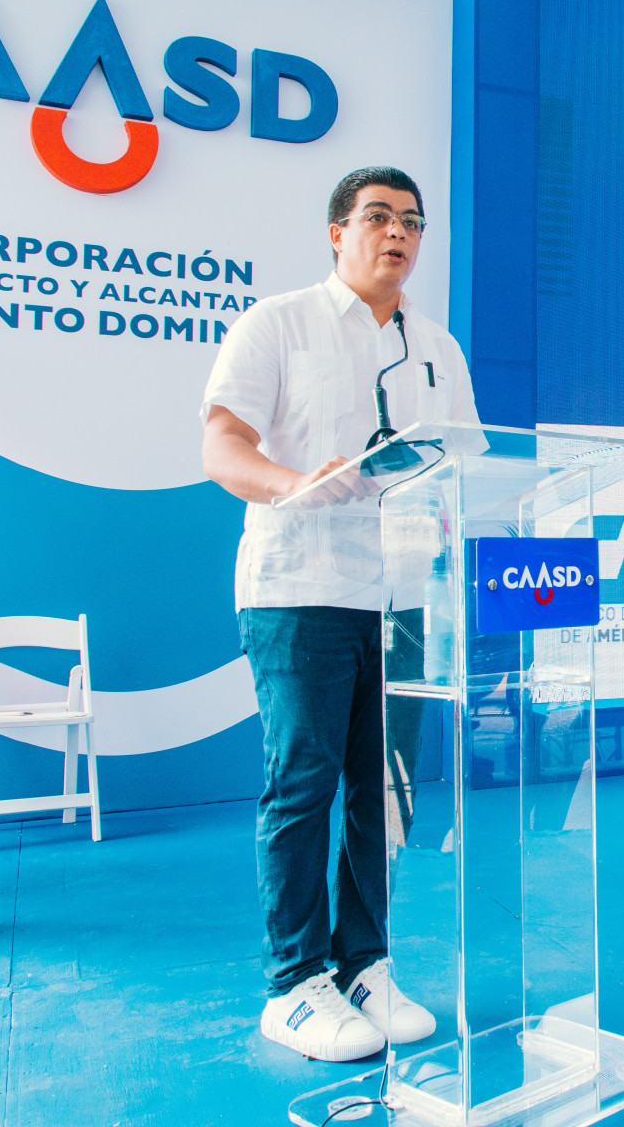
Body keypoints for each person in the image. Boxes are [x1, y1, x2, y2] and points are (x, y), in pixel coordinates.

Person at [201, 166, 479, 1061]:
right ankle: (293, 983)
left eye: (412, 222)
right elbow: (222, 447)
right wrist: (295, 484)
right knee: (304, 784)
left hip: (401, 596)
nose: (398, 233)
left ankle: (365, 962)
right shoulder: (278, 323)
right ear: (337, 232)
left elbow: (468, 462)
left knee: (383, 791)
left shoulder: (437, 347)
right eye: (378, 217)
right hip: (300, 588)